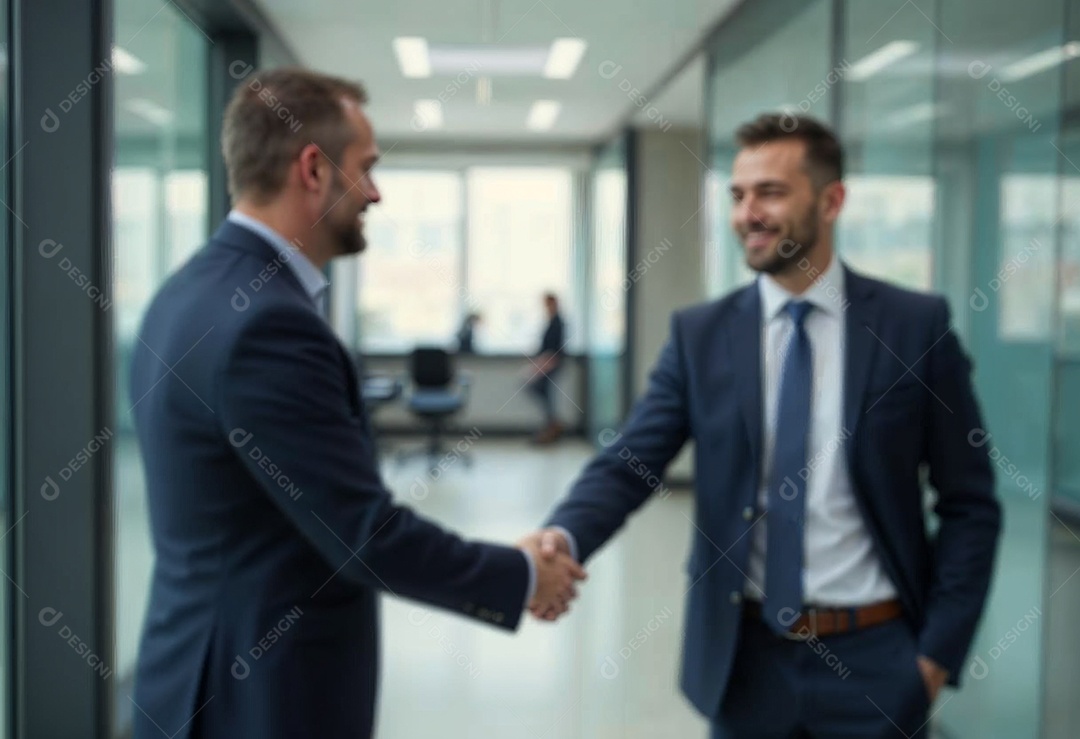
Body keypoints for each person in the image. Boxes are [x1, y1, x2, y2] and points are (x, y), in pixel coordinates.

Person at [128, 68, 585, 739]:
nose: (375, 191)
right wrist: (519, 575)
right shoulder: (268, 323)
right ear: (313, 169)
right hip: (258, 694)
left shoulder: (185, 292)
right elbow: (364, 537)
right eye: (366, 168)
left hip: (191, 670)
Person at [521, 113, 1001, 738]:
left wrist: (934, 658)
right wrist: (561, 536)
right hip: (743, 660)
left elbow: (971, 503)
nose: (748, 213)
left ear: (832, 201)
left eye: (770, 192)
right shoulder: (702, 335)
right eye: (738, 195)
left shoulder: (915, 326)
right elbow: (629, 462)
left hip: (877, 657)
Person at [527, 292, 566, 444]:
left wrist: (542, 366)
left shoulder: (558, 322)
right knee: (543, 394)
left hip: (551, 364)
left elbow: (554, 349)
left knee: (543, 392)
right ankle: (553, 424)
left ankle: (553, 426)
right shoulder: (551, 321)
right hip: (546, 363)